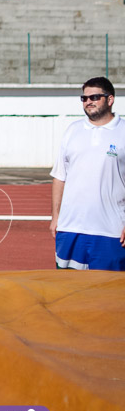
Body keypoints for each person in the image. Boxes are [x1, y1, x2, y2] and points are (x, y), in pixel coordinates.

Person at [50, 76, 125, 270]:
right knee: (67, 292)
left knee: (107, 295)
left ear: (110, 99)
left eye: (94, 97)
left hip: (110, 231)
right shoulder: (73, 130)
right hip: (69, 229)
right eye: (84, 98)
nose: (88, 102)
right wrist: (56, 217)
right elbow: (60, 177)